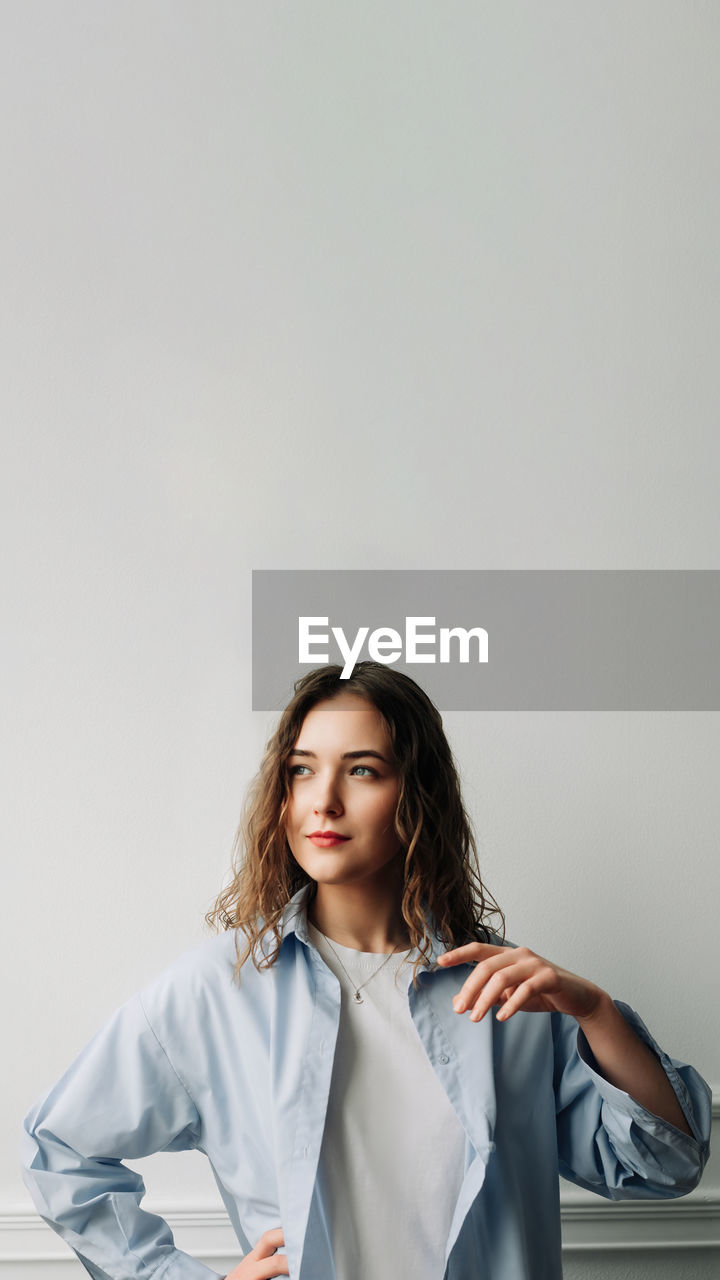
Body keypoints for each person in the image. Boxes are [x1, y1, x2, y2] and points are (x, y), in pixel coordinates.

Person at [21, 662, 711, 1280]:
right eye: (301, 769)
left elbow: (665, 1165)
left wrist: (595, 1013)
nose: (323, 800)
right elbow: (62, 1154)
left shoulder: (507, 993)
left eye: (362, 770)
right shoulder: (218, 989)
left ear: (417, 796)